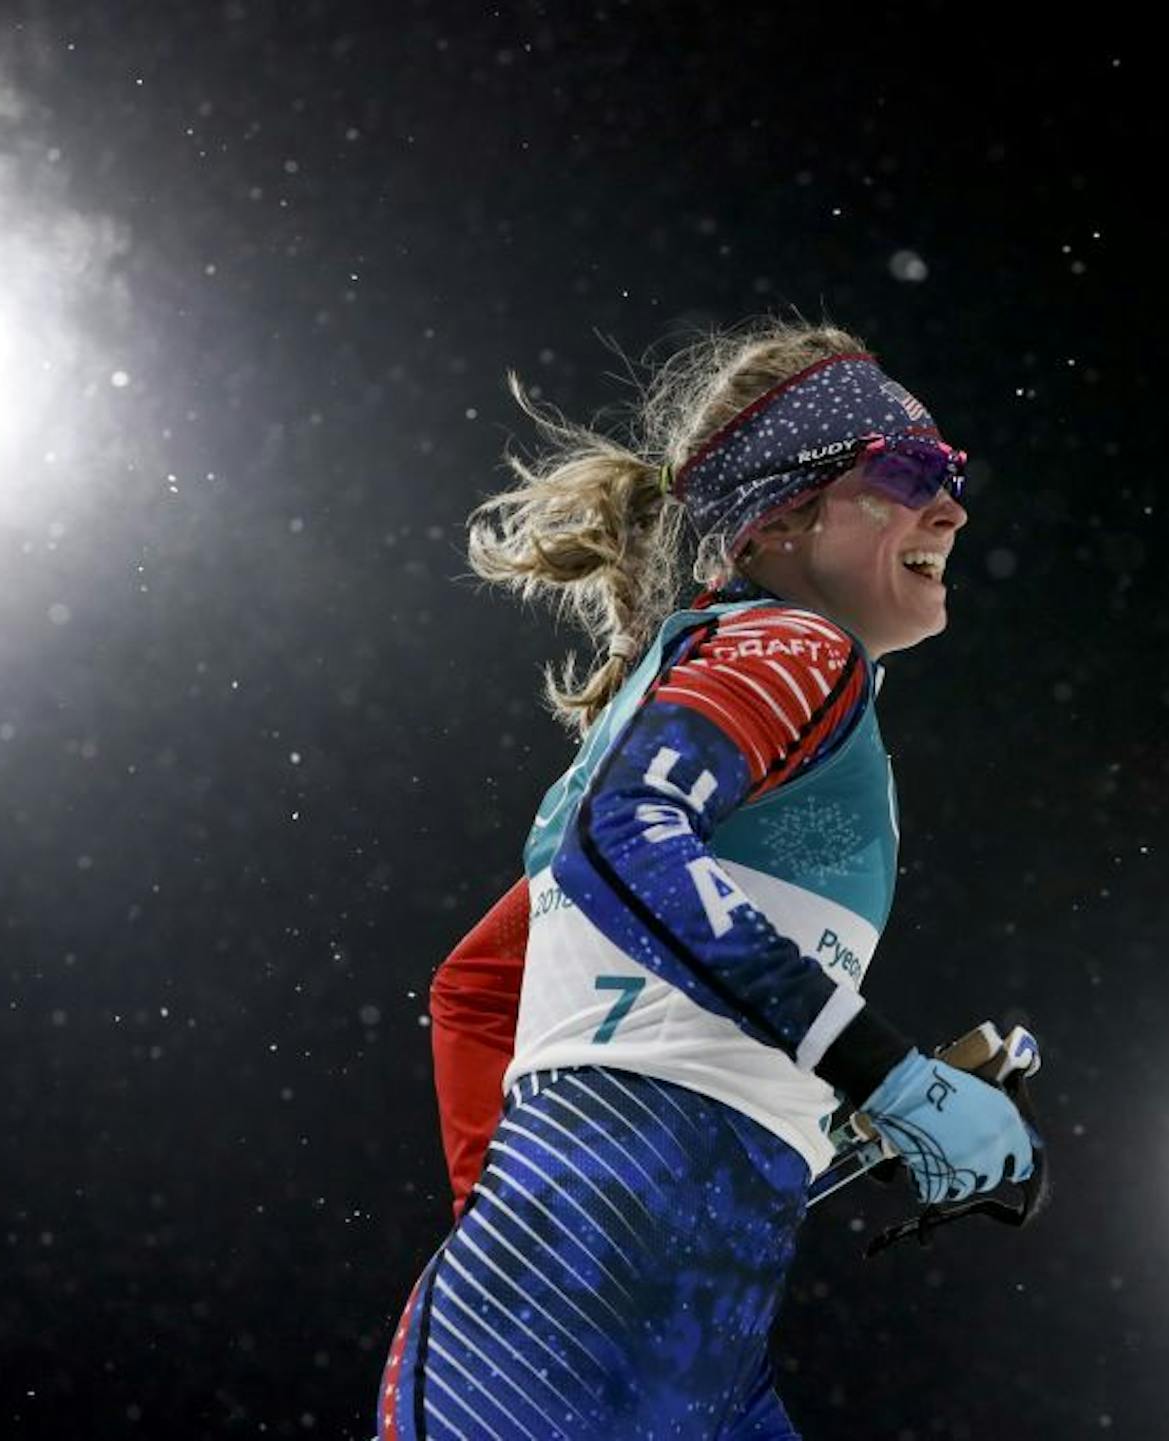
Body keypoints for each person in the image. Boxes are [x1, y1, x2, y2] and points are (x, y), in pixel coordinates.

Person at [374, 317, 1039, 1440]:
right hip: (591, 1334)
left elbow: (485, 994)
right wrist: (885, 1077)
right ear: (782, 515)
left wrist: (809, 1128)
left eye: (952, 475)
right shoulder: (796, 648)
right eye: (908, 473)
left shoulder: (744, 669)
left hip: (643, 1338)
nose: (952, 506)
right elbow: (625, 834)